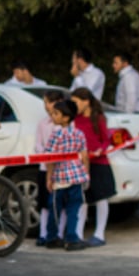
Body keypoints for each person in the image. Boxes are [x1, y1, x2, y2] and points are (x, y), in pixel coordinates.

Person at [42, 99, 89, 252]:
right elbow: (84, 155)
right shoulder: (79, 133)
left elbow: (50, 159)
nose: (53, 116)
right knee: (73, 209)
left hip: (60, 177)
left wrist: (48, 177)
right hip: (77, 176)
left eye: (56, 113)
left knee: (54, 209)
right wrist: (86, 173)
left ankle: (52, 237)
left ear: (66, 117)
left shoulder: (56, 135)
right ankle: (71, 238)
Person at [69, 87, 114, 247]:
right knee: (83, 200)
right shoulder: (75, 119)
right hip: (82, 163)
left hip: (99, 163)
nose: (73, 106)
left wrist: (100, 149)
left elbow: (106, 139)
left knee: (101, 198)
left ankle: (99, 234)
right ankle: (78, 234)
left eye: (76, 102)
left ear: (86, 102)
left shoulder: (99, 118)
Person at [33, 89, 65, 246]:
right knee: (45, 203)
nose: (47, 106)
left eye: (49, 102)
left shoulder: (66, 124)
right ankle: (43, 234)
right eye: (45, 102)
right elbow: (37, 144)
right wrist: (45, 155)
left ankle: (59, 233)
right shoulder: (42, 123)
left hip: (62, 169)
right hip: (44, 167)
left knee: (61, 203)